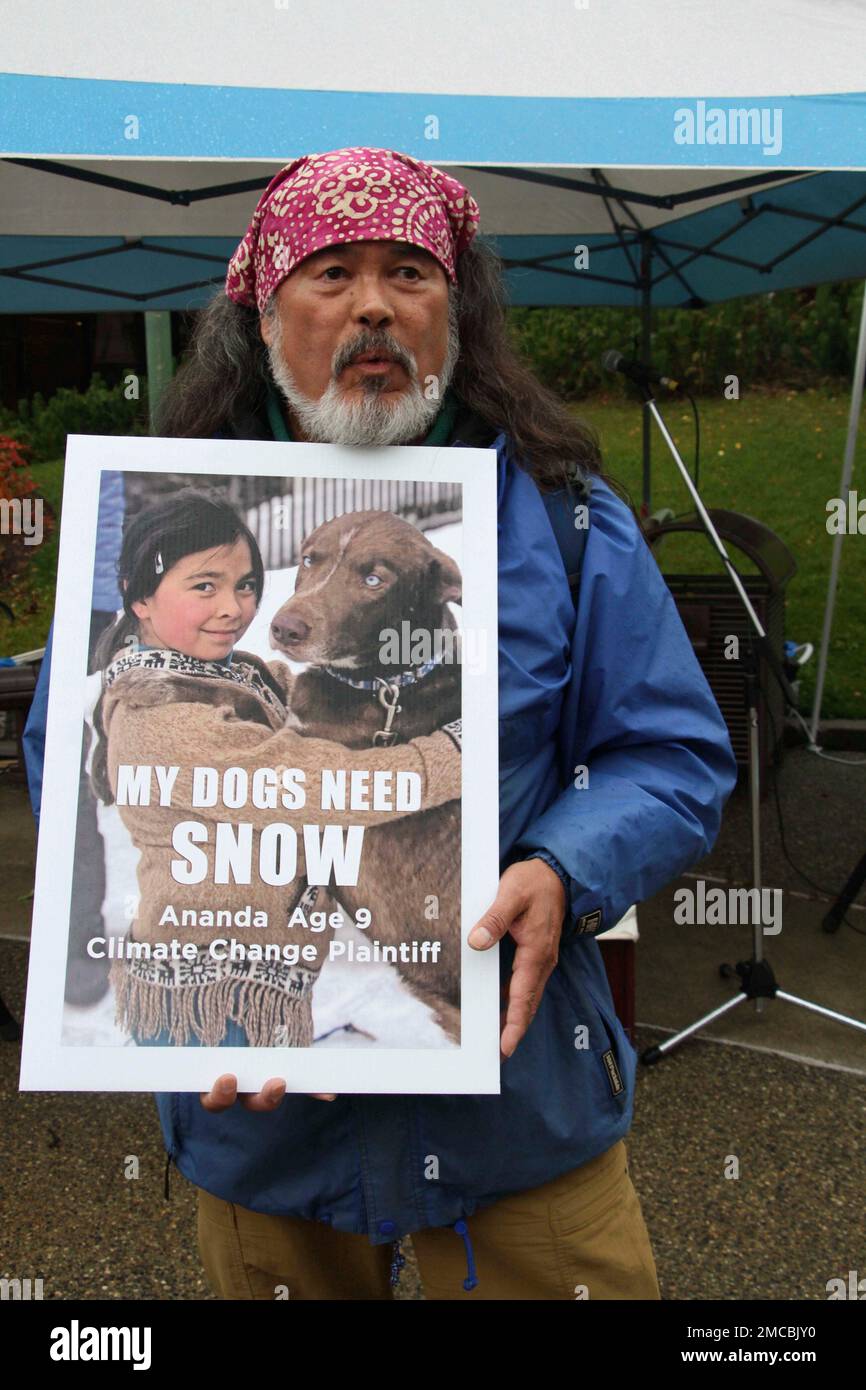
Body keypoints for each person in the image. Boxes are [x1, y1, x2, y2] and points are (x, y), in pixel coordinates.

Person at [24, 145, 738, 1300]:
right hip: (264, 1112)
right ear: (260, 312)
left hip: (516, 1100)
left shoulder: (561, 517)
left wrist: (566, 864)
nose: (371, 305)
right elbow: (81, 766)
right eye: (329, 272)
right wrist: (191, 975)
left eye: (408, 272)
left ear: (454, 315)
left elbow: (671, 751)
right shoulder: (182, 526)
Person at [85, 486, 461, 1050]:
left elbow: (278, 697)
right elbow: (330, 787)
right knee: (246, 1122)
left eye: (245, 586)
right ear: (140, 598)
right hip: (208, 998)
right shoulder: (161, 718)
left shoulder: (221, 676)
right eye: (204, 587)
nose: (233, 608)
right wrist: (456, 751)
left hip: (262, 984)